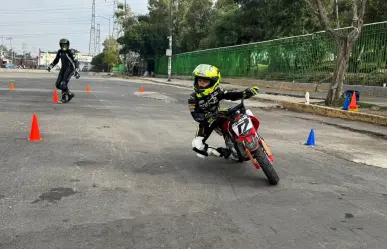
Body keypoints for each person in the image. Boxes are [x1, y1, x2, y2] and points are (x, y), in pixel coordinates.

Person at [188, 64, 260, 159]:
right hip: (206, 122)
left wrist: (245, 93)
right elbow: (196, 115)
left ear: (214, 82)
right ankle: (224, 153)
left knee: (243, 112)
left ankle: (253, 136)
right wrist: (206, 117)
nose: (201, 83)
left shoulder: (217, 91)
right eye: (199, 80)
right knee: (197, 146)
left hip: (219, 114)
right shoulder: (193, 98)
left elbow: (229, 95)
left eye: (205, 81)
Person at [47, 38, 80, 104]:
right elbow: (56, 60)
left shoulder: (70, 52)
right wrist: (51, 66)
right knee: (58, 84)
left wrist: (77, 71)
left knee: (63, 84)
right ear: (60, 45)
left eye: (65, 45)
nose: (64, 47)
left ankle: (64, 98)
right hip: (63, 69)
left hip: (70, 69)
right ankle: (69, 94)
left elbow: (76, 61)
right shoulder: (60, 52)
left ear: (68, 45)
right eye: (62, 45)